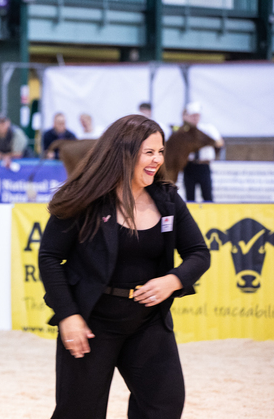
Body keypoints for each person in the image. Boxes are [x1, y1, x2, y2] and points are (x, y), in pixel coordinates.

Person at [38, 114, 210, 419]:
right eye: (149, 152)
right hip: (92, 323)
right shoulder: (83, 198)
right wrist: (68, 315)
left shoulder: (168, 199)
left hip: (148, 323)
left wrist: (173, 280)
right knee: (78, 412)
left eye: (160, 151)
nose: (158, 160)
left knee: (164, 405)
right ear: (124, 152)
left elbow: (198, 253)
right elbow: (49, 257)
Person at [181, 101, 224, 202]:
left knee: (207, 195)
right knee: (190, 197)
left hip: (204, 166)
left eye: (197, 115)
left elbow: (219, 143)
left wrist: (204, 142)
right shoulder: (184, 131)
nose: (195, 118)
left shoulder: (208, 128)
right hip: (189, 166)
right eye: (192, 116)